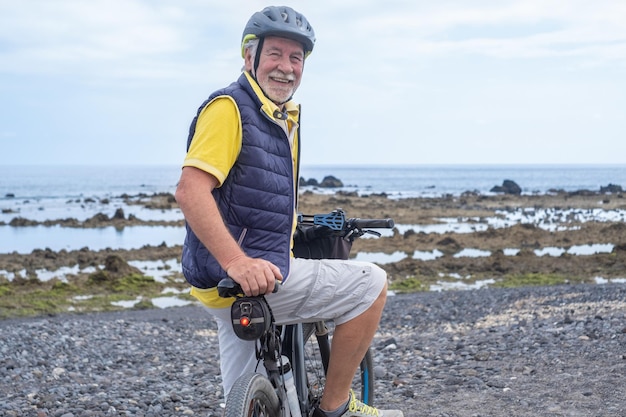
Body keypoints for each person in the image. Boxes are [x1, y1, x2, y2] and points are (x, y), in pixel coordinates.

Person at [175, 6, 403, 417]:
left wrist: (291, 224)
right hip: (246, 274)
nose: (286, 67)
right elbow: (191, 191)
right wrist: (238, 260)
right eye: (275, 54)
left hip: (221, 285)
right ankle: (336, 407)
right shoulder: (230, 108)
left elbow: (252, 196)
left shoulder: (278, 116)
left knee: (245, 403)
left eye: (296, 58)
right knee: (373, 284)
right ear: (250, 57)